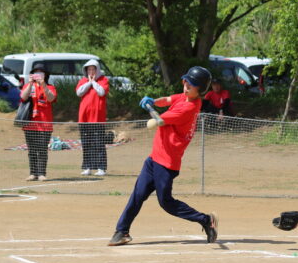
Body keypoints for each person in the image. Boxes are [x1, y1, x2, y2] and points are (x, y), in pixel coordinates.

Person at [108, 66, 218, 246]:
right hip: (154, 158)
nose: (186, 86)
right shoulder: (184, 96)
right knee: (137, 195)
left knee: (166, 202)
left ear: (201, 90)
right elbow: (167, 100)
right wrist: (152, 101)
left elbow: (162, 119)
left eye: (191, 85)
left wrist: (152, 113)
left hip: (167, 163)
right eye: (185, 82)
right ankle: (122, 231)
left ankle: (205, 220)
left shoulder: (189, 108)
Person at [20, 63, 57, 182]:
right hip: (30, 123)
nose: (38, 74)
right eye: (36, 72)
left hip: (45, 124)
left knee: (42, 149)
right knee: (32, 150)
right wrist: (30, 83)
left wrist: (43, 85)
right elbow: (23, 97)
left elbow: (51, 98)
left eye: (41, 72)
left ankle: (41, 173)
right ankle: (33, 173)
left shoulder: (50, 87)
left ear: (45, 75)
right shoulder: (28, 85)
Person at [76, 59, 110, 176]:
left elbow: (101, 92)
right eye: (89, 69)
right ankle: (87, 167)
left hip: (98, 118)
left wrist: (94, 82)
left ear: (97, 69)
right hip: (84, 118)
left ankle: (101, 168)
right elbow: (79, 93)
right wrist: (89, 83)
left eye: (93, 69)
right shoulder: (82, 81)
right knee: (86, 143)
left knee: (99, 143)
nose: (91, 71)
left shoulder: (103, 80)